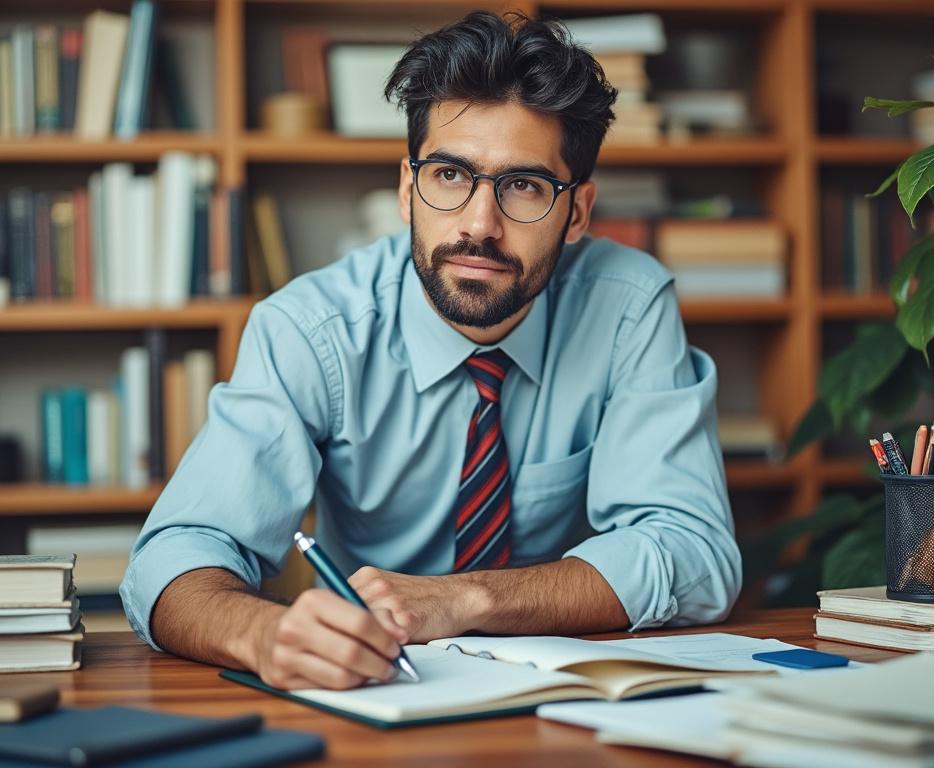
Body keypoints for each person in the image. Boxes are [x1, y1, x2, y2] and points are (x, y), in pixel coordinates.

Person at [120, 10, 741, 692]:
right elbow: (172, 562)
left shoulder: (628, 307)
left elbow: (695, 552)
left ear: (579, 213)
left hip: (562, 697)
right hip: (378, 692)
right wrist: (267, 635)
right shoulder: (312, 327)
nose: (480, 225)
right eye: (449, 175)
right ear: (405, 189)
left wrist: (465, 599)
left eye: (525, 187)